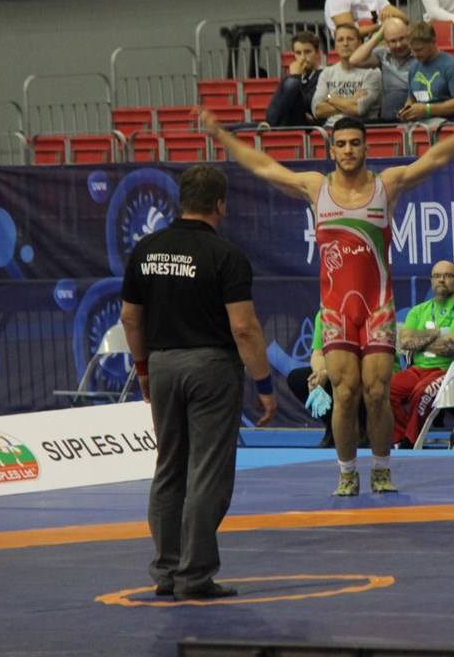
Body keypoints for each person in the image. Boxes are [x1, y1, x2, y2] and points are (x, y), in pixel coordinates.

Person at [206, 99, 454, 496]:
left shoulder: (386, 185)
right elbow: (263, 166)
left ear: (365, 147)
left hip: (377, 309)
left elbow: (436, 158)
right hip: (336, 313)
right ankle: (346, 473)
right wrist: (221, 135)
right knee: (344, 393)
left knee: (377, 393)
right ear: (332, 149)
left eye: (355, 143)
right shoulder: (316, 188)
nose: (348, 150)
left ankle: (381, 469)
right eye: (341, 144)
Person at [120, 164, 277, 601]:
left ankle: (167, 571)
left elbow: (130, 318)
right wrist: (264, 385)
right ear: (220, 205)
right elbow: (243, 328)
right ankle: (194, 575)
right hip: (211, 367)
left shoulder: (146, 250)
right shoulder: (225, 255)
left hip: (163, 364)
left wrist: (144, 369)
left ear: (181, 201)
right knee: (207, 472)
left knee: (169, 467)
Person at [390, 261, 454, 448]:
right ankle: (399, 440)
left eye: (447, 276)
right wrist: (437, 333)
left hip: (450, 371)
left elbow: (452, 347)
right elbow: (405, 341)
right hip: (417, 369)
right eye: (437, 276)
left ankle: (410, 443)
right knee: (384, 389)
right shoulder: (419, 310)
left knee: (422, 392)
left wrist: (421, 341)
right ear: (431, 280)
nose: (441, 280)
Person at [285, 311, 369, 449]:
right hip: (336, 369)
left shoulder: (360, 312)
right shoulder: (323, 314)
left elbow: (361, 358)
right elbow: (317, 354)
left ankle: (363, 429)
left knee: (352, 380)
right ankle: (334, 427)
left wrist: (328, 372)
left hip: (365, 370)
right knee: (297, 379)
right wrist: (319, 375)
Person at [397, 21, 454, 125]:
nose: (415, 54)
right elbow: (411, 100)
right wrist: (407, 111)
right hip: (420, 122)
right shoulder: (414, 68)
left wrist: (427, 109)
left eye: (419, 50)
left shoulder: (452, 66)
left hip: (446, 123)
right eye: (412, 50)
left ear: (433, 41)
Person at [311, 24, 382, 125]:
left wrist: (331, 98)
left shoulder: (372, 72)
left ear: (360, 43)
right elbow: (317, 111)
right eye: (340, 40)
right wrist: (350, 100)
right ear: (335, 46)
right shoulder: (327, 73)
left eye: (350, 39)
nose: (345, 44)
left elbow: (359, 109)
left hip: (361, 128)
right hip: (331, 128)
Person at [349, 17, 416, 122]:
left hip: (414, 108)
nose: (398, 45)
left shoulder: (419, 54)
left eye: (402, 38)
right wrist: (379, 34)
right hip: (390, 112)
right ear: (386, 41)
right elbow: (354, 60)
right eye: (393, 41)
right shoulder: (383, 54)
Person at [265, 30, 323, 128]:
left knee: (292, 84)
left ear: (318, 53)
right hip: (283, 123)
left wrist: (295, 77)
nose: (303, 57)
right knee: (237, 128)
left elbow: (308, 104)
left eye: (307, 52)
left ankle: (270, 127)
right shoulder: (290, 77)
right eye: (298, 53)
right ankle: (270, 127)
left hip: (306, 126)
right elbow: (272, 108)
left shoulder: (323, 75)